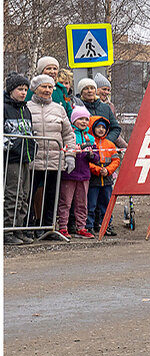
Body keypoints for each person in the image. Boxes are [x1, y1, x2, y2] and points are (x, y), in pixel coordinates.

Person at [26, 74, 75, 240]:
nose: (47, 90)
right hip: (32, 161)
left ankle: (48, 227)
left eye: (49, 87)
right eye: (43, 87)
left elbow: (68, 134)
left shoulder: (59, 109)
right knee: (29, 195)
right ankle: (30, 226)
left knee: (52, 195)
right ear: (35, 88)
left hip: (55, 161)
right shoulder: (26, 107)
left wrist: (70, 156)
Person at [4, 74, 36, 245]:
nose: (24, 93)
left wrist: (33, 146)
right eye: (20, 89)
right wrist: (12, 147)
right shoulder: (4, 108)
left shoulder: (25, 109)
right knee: (13, 194)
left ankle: (18, 228)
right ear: (11, 91)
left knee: (24, 195)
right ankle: (7, 229)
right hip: (11, 158)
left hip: (25, 156)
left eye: (25, 89)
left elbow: (30, 131)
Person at [59, 106, 99, 238]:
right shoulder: (70, 135)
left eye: (86, 119)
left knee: (82, 203)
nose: (83, 122)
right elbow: (64, 150)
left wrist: (92, 155)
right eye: (80, 119)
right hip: (69, 174)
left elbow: (97, 157)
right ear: (74, 120)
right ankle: (62, 227)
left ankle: (81, 227)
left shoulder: (90, 138)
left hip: (84, 175)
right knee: (65, 202)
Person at [86, 115, 120, 236]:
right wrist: (97, 169)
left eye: (103, 127)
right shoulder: (89, 142)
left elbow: (116, 160)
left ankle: (106, 225)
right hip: (94, 180)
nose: (101, 129)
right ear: (93, 128)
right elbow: (87, 162)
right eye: (98, 127)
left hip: (107, 180)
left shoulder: (110, 144)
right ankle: (89, 226)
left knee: (106, 204)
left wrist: (108, 170)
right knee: (91, 204)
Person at [74, 77, 122, 144]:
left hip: (104, 148)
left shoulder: (106, 108)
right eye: (86, 88)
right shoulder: (77, 108)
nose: (90, 91)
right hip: (85, 146)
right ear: (81, 92)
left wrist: (106, 141)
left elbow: (116, 128)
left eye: (92, 88)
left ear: (95, 90)